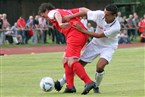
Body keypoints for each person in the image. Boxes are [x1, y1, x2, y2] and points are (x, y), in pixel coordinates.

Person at [55, 4, 121, 93]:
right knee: (78, 65)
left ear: (114, 15)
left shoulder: (116, 27)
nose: (104, 16)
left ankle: (96, 87)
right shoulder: (100, 14)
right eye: (104, 13)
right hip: (95, 44)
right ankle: (62, 81)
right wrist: (69, 17)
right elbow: (84, 12)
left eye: (107, 15)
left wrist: (82, 30)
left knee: (100, 66)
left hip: (108, 46)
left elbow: (99, 35)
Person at [38, 3, 95, 95]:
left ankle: (88, 82)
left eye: (44, 16)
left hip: (75, 34)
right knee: (65, 59)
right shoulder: (66, 11)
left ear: (46, 11)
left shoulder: (52, 12)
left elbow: (55, 13)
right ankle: (70, 86)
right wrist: (93, 13)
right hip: (79, 34)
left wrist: (60, 23)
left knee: (71, 60)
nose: (46, 19)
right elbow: (83, 10)